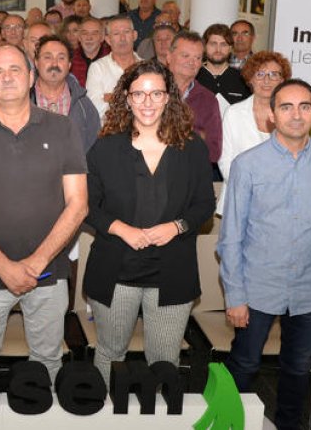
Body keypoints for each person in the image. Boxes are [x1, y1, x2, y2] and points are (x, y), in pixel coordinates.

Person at [0, 45, 88, 388]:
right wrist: (4, 266)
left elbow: (78, 205)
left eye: (14, 69)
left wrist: (36, 263)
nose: (7, 77)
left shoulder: (63, 128)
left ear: (30, 78)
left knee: (48, 360)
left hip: (48, 274)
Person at [219, 78, 311, 430]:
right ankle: (228, 423)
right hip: (257, 286)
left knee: (297, 367)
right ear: (271, 116)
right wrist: (235, 294)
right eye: (286, 107)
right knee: (244, 365)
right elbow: (230, 236)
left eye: (304, 106)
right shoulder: (248, 165)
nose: (296, 115)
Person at [84, 59, 214, 382]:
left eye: (156, 94)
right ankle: (104, 417)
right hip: (116, 270)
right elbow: (87, 204)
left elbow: (204, 204)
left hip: (172, 272)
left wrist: (176, 226)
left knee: (164, 360)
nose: (147, 103)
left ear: (169, 97)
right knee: (110, 353)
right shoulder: (105, 147)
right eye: (139, 95)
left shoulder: (192, 146)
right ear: (126, 98)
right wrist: (121, 228)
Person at [217, 51, 291, 214]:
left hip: (280, 205)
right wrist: (253, 191)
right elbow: (225, 160)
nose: (266, 80)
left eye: (273, 74)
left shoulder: (292, 115)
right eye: (260, 74)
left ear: (283, 80)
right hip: (239, 203)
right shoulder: (233, 113)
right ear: (250, 79)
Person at [32, 34, 99, 156]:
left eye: (61, 58)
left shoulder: (83, 105)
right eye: (47, 57)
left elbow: (94, 152)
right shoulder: (22, 101)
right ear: (36, 62)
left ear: (69, 65)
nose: (54, 63)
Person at [167, 32, 222, 164]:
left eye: (197, 58)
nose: (192, 62)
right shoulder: (151, 91)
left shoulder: (208, 99)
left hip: (190, 176)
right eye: (185, 56)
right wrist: (196, 135)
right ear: (169, 57)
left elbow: (214, 152)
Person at [85, 15, 141, 116]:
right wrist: (134, 99)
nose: (122, 38)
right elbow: (95, 108)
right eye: (116, 34)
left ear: (135, 35)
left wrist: (112, 98)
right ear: (108, 40)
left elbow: (151, 106)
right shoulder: (97, 68)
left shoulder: (147, 68)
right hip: (108, 130)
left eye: (126, 32)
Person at [196, 23, 251, 106]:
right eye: (213, 44)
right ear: (204, 47)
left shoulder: (243, 80)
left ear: (230, 48)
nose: (218, 49)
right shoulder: (194, 77)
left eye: (223, 44)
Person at [69, 16, 109, 87]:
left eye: (94, 33)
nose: (89, 38)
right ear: (79, 37)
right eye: (85, 33)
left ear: (102, 37)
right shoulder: (69, 59)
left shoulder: (111, 59)